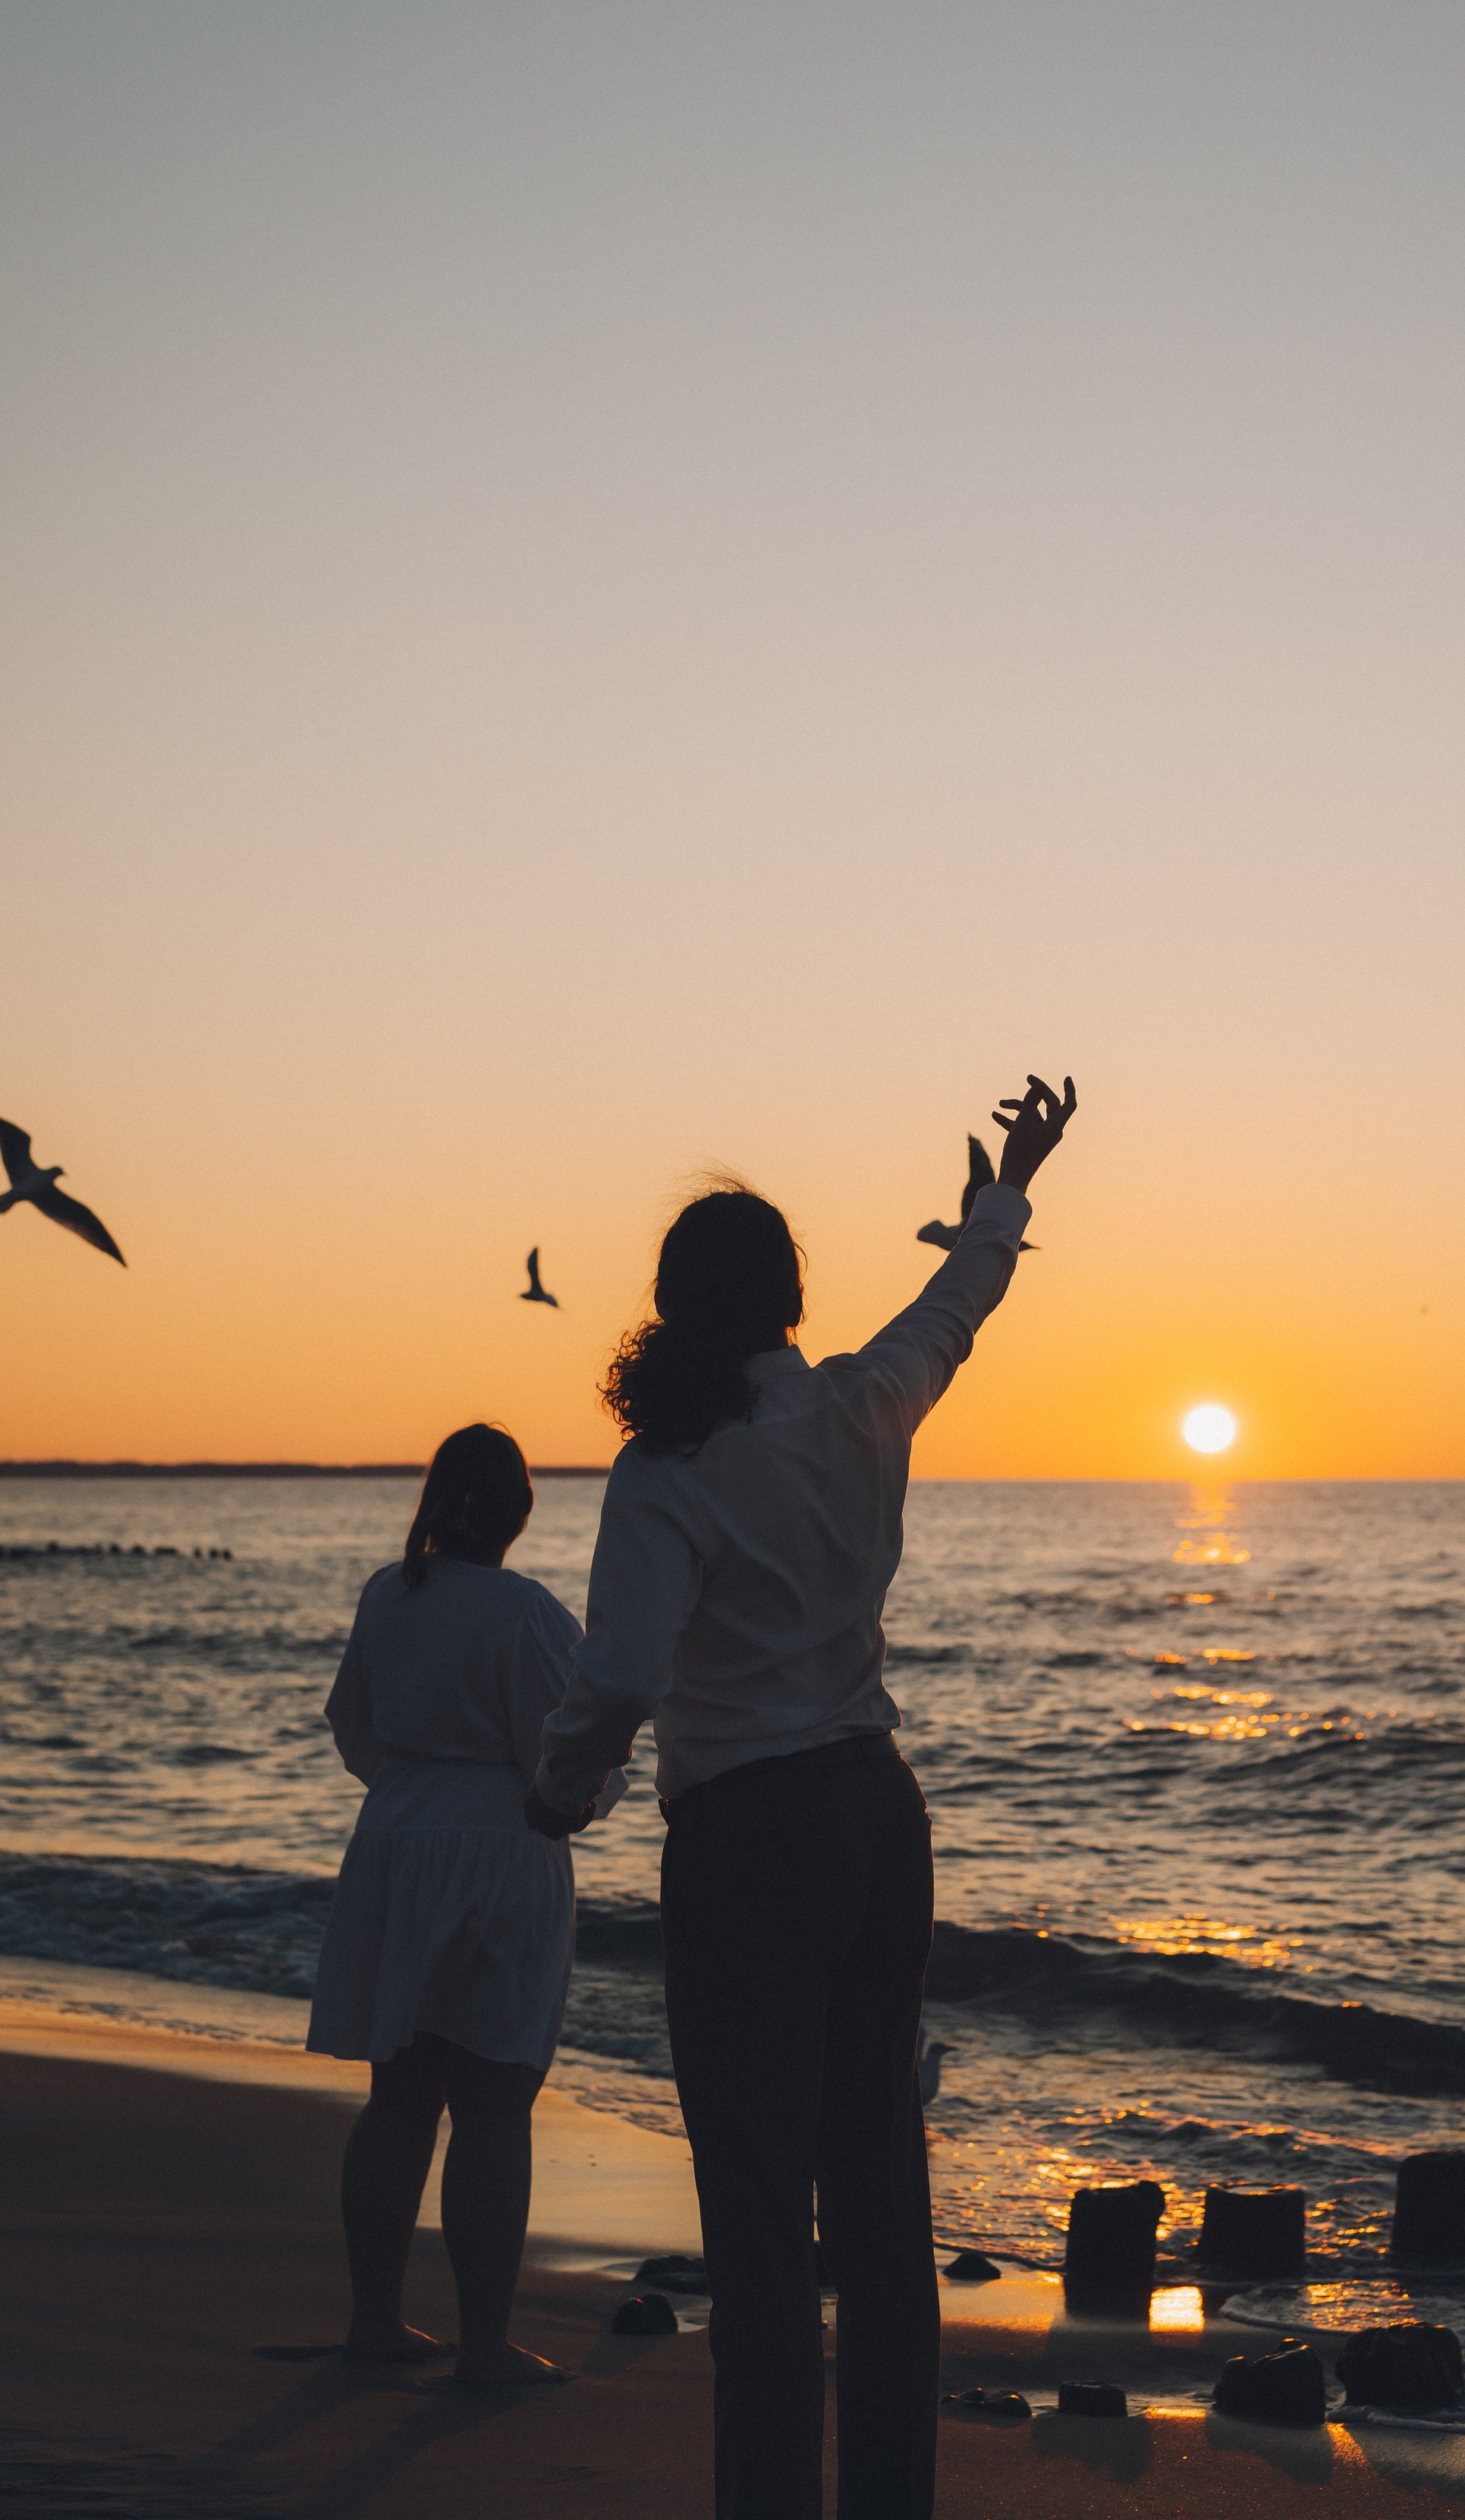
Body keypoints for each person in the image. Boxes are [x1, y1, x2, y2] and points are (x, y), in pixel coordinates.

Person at [529, 1074, 1077, 2519]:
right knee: (881, 2194)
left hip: (753, 1836)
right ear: (788, 1298)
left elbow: (624, 1665)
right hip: (879, 1813)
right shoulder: (858, 1401)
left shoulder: (667, 1468)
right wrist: (1008, 1190)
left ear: (672, 1307)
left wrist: (562, 1790)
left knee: (763, 2214)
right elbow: (957, 1303)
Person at [307, 1422, 624, 2384]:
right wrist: (588, 1798)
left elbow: (352, 1726)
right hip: (499, 1849)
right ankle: (483, 2344)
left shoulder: (389, 1593)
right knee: (493, 2101)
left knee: (400, 2096)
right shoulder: (526, 1612)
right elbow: (561, 1751)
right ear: (520, 1509)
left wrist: (415, 1790)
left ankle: (374, 2321)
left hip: (395, 1841)